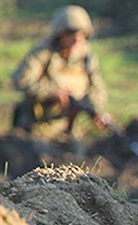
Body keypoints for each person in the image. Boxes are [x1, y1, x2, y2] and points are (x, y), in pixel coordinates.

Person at [11, 5, 110, 143]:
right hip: (36, 127)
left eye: (81, 35)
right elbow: (20, 80)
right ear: (60, 34)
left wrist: (97, 110)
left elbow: (96, 87)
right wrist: (52, 92)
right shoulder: (43, 54)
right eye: (71, 35)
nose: (76, 41)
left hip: (68, 127)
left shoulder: (86, 57)